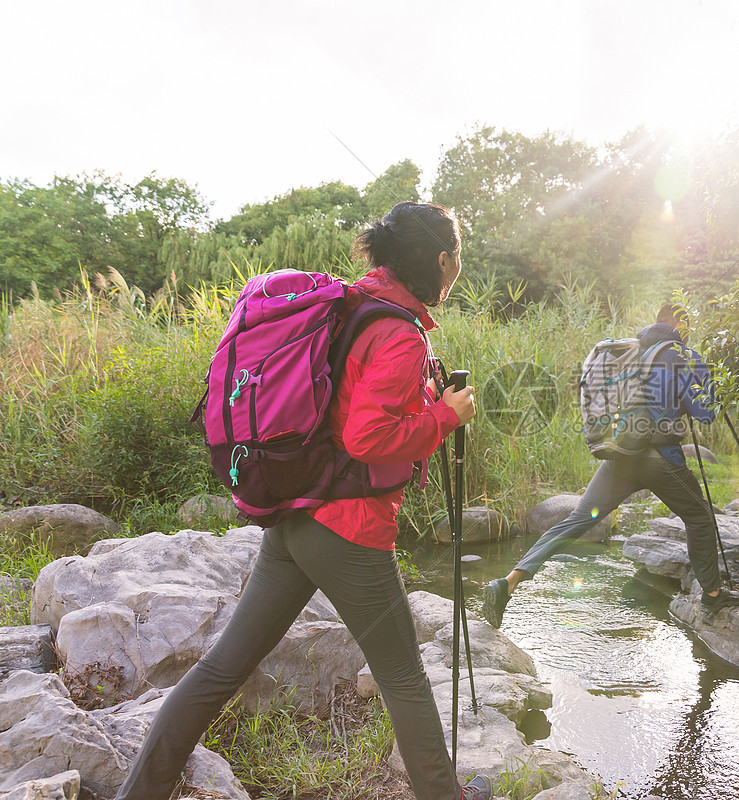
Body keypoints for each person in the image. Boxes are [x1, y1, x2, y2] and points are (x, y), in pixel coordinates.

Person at [114, 202, 493, 800]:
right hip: (347, 529)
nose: (457, 272)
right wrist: (446, 414)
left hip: (292, 516)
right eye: (458, 261)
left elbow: (341, 408)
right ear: (442, 260)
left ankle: (138, 793)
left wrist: (424, 406)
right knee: (404, 681)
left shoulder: (346, 306)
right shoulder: (399, 332)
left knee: (220, 670)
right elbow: (365, 438)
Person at [480, 303, 739, 627]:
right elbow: (706, 413)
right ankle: (713, 596)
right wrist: (711, 386)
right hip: (660, 459)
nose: (689, 326)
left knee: (576, 520)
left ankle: (506, 584)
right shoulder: (683, 355)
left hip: (620, 453)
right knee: (700, 517)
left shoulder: (630, 351)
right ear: (678, 322)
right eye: (686, 320)